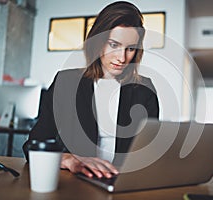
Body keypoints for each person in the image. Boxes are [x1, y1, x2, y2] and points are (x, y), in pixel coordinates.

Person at [23, 1, 159, 179]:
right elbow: (33, 144)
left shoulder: (144, 90)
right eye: (114, 45)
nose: (122, 57)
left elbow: (150, 153)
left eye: (131, 48)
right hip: (75, 183)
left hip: (124, 184)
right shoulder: (66, 83)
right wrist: (67, 160)